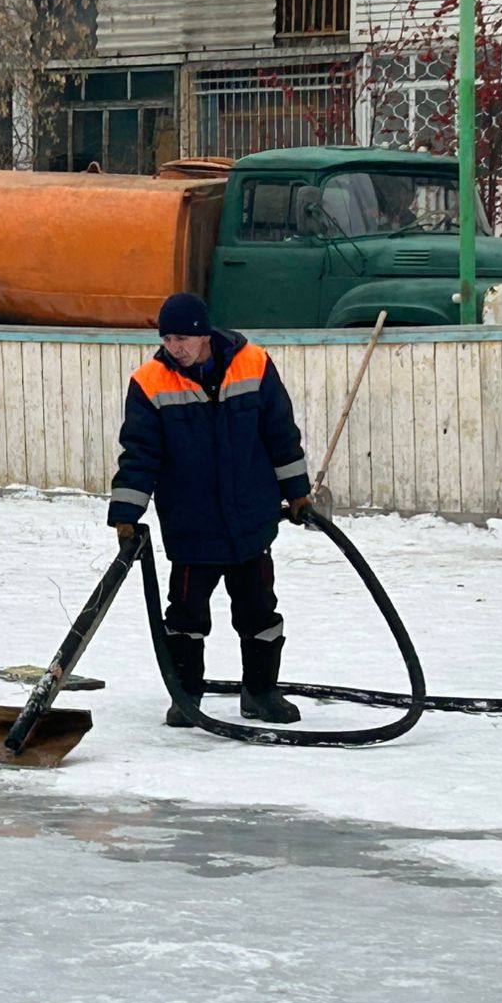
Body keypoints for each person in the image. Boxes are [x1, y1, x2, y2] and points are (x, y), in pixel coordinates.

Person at [108, 292, 313, 726]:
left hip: (250, 524)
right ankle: (186, 697)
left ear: (203, 336)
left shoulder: (254, 364)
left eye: (182, 337)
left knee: (259, 614)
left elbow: (281, 434)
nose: (174, 347)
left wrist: (297, 491)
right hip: (191, 527)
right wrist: (126, 512)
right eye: (167, 338)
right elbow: (140, 453)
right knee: (185, 619)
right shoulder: (150, 382)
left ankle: (260, 693)